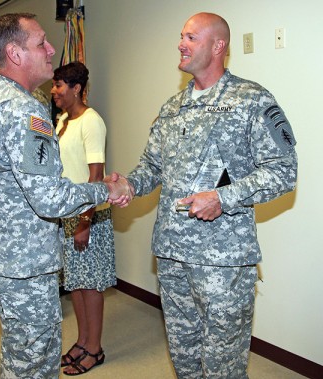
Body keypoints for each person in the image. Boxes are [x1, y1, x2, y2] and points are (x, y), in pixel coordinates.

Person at [112, 12, 297, 378]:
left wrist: (223, 198)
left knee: (222, 367)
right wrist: (129, 185)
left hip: (223, 263)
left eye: (191, 37)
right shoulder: (172, 108)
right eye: (181, 36)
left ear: (218, 46)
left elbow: (284, 171)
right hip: (171, 256)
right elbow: (152, 166)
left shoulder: (252, 99)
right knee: (184, 360)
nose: (181, 43)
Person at [0, 13, 131, 379]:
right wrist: (107, 189)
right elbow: (49, 197)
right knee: (31, 362)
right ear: (15, 53)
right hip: (23, 262)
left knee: (25, 352)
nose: (51, 48)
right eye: (41, 42)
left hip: (4, 253)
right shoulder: (20, 109)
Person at [51, 61, 115, 376]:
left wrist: (85, 222)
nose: (54, 91)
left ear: (76, 88)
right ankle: (81, 340)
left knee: (90, 286)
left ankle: (95, 349)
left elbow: (96, 176)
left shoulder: (92, 122)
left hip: (88, 214)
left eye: (59, 85)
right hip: (68, 213)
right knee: (75, 283)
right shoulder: (62, 120)